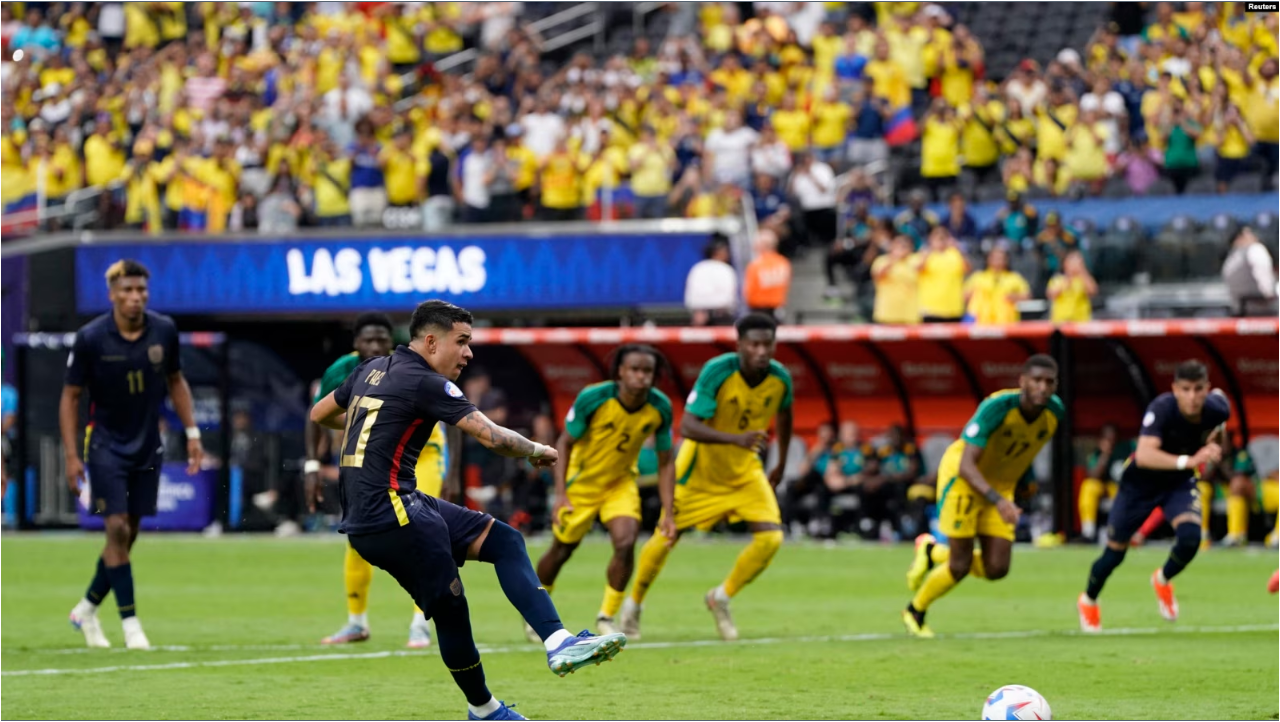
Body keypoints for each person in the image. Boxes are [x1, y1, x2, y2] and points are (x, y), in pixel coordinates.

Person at [309, 301, 624, 720]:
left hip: (392, 507)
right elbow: (492, 437)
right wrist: (534, 450)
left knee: (505, 540)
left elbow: (319, 414)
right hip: (393, 517)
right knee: (452, 611)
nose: (468, 353)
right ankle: (485, 710)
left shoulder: (370, 369)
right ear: (431, 341)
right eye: (462, 342)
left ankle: (558, 641)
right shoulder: (426, 382)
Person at [621, 314, 793, 642]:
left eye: (767, 344)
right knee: (666, 536)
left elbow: (785, 415)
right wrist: (736, 438)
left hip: (744, 472)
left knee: (771, 538)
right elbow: (688, 427)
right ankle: (633, 606)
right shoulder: (718, 371)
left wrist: (781, 463)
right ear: (739, 344)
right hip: (698, 471)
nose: (761, 351)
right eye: (754, 344)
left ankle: (721, 598)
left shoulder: (780, 378)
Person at [62, 260, 205, 650]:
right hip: (105, 444)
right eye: (126, 290)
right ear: (112, 294)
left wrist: (192, 432)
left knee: (129, 533)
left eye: (140, 290)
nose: (135, 297)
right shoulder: (91, 338)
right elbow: (70, 396)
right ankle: (131, 626)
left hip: (147, 444)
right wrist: (71, 455)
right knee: (117, 528)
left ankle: (86, 609)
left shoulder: (164, 330)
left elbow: (176, 380)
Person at [308, 314, 446, 649]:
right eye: (368, 340)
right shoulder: (344, 371)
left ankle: (421, 622)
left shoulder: (415, 364)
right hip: (372, 457)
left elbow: (452, 410)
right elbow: (316, 414)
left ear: (391, 340)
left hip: (423, 454)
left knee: (425, 531)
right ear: (355, 344)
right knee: (356, 532)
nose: (375, 346)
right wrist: (313, 464)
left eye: (381, 340)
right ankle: (356, 622)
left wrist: (452, 473)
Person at [902, 355, 1064, 638]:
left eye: (1049, 382)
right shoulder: (997, 408)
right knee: (960, 565)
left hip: (1000, 485)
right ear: (1022, 381)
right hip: (963, 479)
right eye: (1036, 380)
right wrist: (1000, 501)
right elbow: (966, 465)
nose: (1042, 387)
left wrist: (1026, 483)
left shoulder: (1054, 413)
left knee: (997, 568)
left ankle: (931, 552)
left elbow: (1026, 450)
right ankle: (915, 610)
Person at [528, 345, 676, 640]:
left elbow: (665, 460)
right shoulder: (593, 398)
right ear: (620, 371)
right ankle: (535, 615)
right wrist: (561, 495)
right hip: (581, 484)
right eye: (635, 369)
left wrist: (669, 512)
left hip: (620, 484)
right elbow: (565, 442)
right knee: (562, 550)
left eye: (647, 371)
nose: (641, 377)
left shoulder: (660, 407)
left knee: (626, 541)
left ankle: (607, 616)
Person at [1077, 361, 1230, 633]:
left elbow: (1220, 424)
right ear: (1175, 390)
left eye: (1198, 389)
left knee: (1191, 538)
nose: (1193, 397)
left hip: (1178, 484)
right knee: (1114, 555)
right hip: (1139, 485)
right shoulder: (1162, 409)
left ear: (1206, 389)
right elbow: (1146, 455)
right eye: (1186, 389)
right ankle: (1088, 599)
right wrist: (1190, 459)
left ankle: (1162, 579)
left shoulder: (1216, 408)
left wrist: (1215, 445)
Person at [1077, 424, 1134, 542]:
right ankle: (1088, 532)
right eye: (1107, 438)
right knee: (1089, 486)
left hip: (1124, 490)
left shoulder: (1127, 447)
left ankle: (1128, 533)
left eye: (1113, 437)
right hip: (1106, 490)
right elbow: (1093, 475)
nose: (1110, 440)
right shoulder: (1099, 453)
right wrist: (1105, 454)